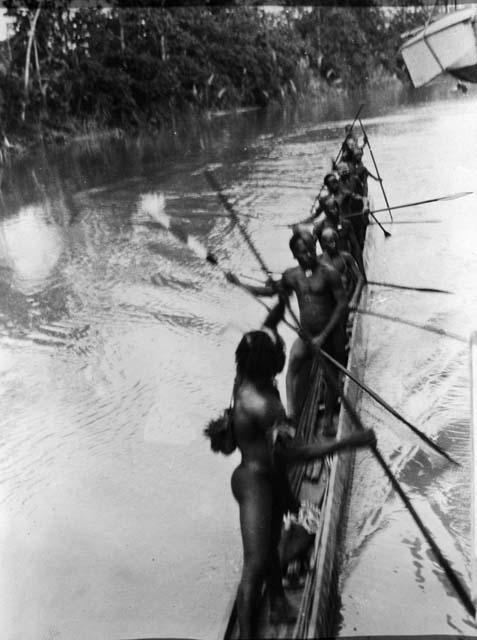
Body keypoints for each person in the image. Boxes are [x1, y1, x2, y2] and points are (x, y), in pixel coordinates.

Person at [225, 327, 377, 639]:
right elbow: (296, 454)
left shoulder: (244, 382)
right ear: (268, 365)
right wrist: (347, 442)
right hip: (256, 483)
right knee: (254, 565)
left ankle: (278, 602)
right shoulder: (265, 404)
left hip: (264, 476)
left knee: (270, 544)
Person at [226, 229, 348, 435]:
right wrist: (239, 283)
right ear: (295, 255)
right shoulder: (292, 276)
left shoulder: (329, 273)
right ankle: (292, 416)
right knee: (292, 367)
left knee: (330, 377)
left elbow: (342, 305)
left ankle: (327, 418)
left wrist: (324, 336)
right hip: (307, 336)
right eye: (303, 252)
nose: (308, 255)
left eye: (311, 249)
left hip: (328, 335)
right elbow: (270, 292)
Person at [313, 195, 365, 277]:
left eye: (336, 207)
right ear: (326, 211)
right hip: (330, 265)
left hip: (346, 262)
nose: (335, 211)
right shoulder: (319, 228)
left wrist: (362, 272)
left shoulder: (346, 224)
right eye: (332, 209)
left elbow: (356, 248)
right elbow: (313, 250)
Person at [318, 226, 364, 310]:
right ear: (324, 244)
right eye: (331, 242)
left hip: (348, 298)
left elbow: (360, 278)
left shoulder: (346, 256)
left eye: (335, 241)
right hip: (333, 303)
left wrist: (355, 299)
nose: (334, 245)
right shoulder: (319, 261)